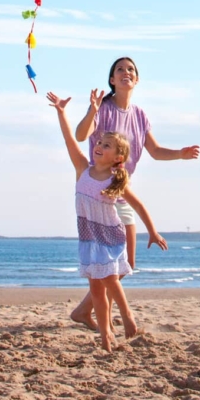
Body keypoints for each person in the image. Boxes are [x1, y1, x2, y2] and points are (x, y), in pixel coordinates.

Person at [69, 56, 200, 330]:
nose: (125, 72)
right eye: (120, 69)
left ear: (137, 80)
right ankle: (115, 317)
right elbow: (81, 136)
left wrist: (180, 155)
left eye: (131, 69)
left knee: (126, 262)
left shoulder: (140, 115)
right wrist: (92, 111)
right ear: (112, 80)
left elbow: (154, 151)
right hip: (99, 189)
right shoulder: (103, 108)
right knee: (110, 265)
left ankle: (83, 311)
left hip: (121, 188)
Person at [46, 91, 168, 352]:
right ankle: (104, 336)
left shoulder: (115, 180)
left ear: (117, 158)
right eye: (99, 142)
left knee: (111, 280)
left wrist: (153, 233)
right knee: (96, 289)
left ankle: (128, 320)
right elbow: (70, 140)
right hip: (89, 238)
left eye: (106, 145)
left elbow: (138, 206)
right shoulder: (82, 168)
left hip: (110, 237)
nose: (99, 146)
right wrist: (61, 112)